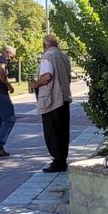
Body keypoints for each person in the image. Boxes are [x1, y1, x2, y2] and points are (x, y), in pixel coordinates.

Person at [30, 34, 72, 173]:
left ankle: (57, 162)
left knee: (52, 131)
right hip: (64, 98)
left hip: (51, 100)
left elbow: (47, 76)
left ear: (44, 45)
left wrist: (36, 84)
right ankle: (62, 160)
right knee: (62, 131)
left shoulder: (48, 57)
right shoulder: (64, 57)